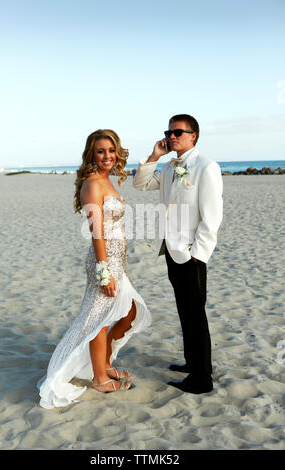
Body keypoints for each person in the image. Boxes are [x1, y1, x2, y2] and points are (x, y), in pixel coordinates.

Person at [37, 129, 151, 408]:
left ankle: (104, 362)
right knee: (98, 320)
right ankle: (100, 378)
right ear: (91, 154)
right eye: (101, 151)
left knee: (130, 312)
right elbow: (96, 232)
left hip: (117, 261)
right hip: (103, 262)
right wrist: (104, 271)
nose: (107, 156)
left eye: (111, 150)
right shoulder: (92, 184)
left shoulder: (107, 180)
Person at [133, 114, 223, 394]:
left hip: (191, 254)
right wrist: (155, 155)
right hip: (171, 250)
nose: (172, 137)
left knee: (196, 315)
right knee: (186, 312)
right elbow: (140, 183)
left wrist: (199, 253)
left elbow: (212, 216)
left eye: (178, 132)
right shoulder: (171, 167)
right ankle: (193, 363)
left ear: (193, 135)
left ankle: (201, 379)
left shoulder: (205, 167)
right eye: (169, 132)